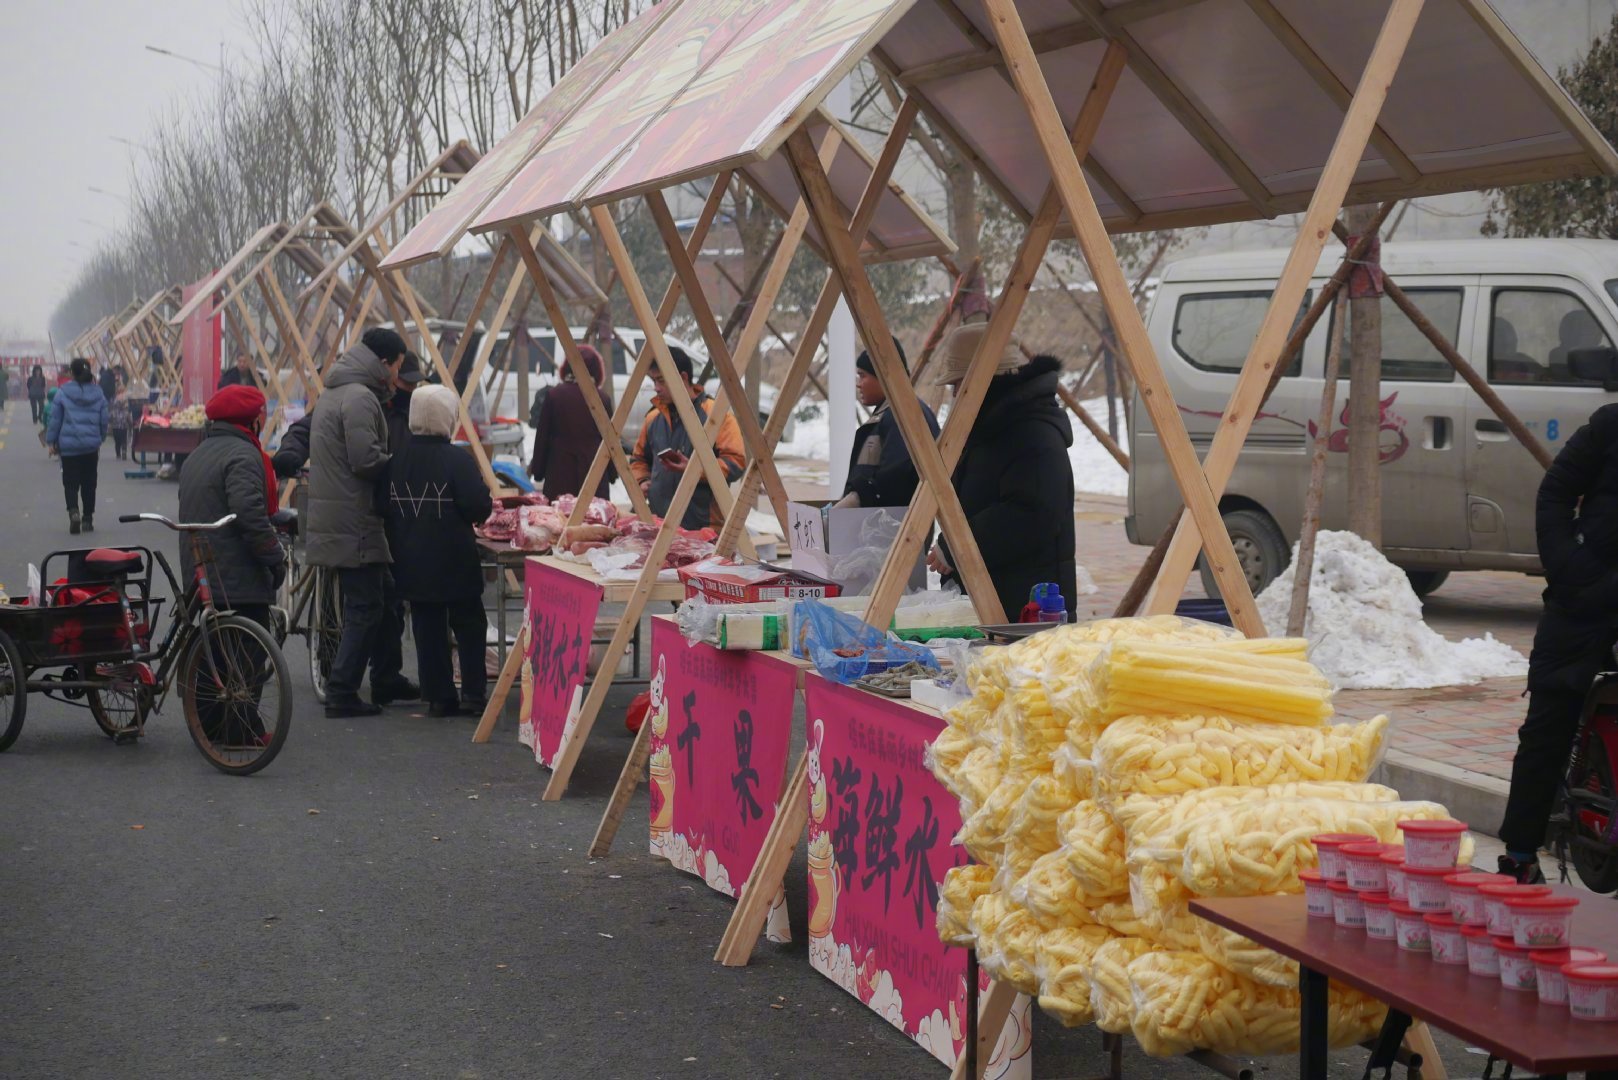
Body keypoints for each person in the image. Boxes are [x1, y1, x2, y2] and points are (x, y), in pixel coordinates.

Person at [1497, 402, 1618, 883]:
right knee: (1548, 723)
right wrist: (1571, 566)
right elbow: (1555, 495)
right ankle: (1520, 855)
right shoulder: (1610, 426)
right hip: (1585, 597)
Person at [925, 326, 1077, 620]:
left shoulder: (1033, 433)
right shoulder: (990, 428)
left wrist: (956, 545)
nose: (955, 395)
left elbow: (1031, 512)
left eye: (959, 385)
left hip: (1026, 611)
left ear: (983, 382)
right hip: (992, 599)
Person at [305, 327, 412, 718]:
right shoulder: (360, 397)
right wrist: (401, 465)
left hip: (342, 514)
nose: (398, 376)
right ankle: (342, 690)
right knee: (366, 605)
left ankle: (386, 677)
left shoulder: (338, 390)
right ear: (384, 363)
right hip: (354, 518)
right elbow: (365, 460)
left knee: (384, 596)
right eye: (398, 366)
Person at [386, 385, 494, 716]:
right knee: (469, 625)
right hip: (455, 558)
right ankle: (473, 695)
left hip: (410, 557)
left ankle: (438, 696)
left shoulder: (396, 459)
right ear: (448, 417)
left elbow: (381, 505)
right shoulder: (457, 459)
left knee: (426, 626)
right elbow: (477, 506)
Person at [177, 385, 286, 627]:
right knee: (246, 657)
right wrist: (274, 557)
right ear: (253, 421)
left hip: (202, 575)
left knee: (214, 656)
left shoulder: (197, 454)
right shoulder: (243, 455)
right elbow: (248, 513)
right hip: (236, 581)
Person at [629, 346, 744, 530]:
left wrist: (695, 470)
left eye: (661, 380)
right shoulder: (653, 418)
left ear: (683, 378)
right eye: (654, 381)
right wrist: (643, 481)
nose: (656, 388)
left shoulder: (716, 415)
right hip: (661, 524)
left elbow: (735, 464)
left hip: (704, 527)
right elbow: (638, 459)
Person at [836, 337, 939, 509]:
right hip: (881, 526)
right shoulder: (890, 413)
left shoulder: (902, 415)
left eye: (863, 376)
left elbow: (897, 479)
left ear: (883, 375)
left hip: (893, 528)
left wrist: (858, 498)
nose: (858, 384)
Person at [530, 344, 612, 501]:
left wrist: (538, 471)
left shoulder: (554, 396)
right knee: (594, 521)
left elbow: (542, 437)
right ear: (597, 370)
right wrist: (612, 473)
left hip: (559, 476)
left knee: (559, 522)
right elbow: (610, 441)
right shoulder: (603, 399)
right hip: (594, 477)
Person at [45, 358, 109, 534]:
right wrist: (100, 438)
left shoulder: (62, 393)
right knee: (89, 483)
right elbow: (104, 420)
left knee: (71, 483)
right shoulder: (99, 394)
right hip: (90, 448)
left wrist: (51, 442)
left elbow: (55, 420)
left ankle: (73, 511)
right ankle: (88, 519)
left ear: (71, 373)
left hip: (69, 448)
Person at [108, 386, 132, 460]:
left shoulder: (113, 401)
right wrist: (130, 424)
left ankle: (118, 453)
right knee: (123, 440)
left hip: (115, 425)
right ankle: (124, 451)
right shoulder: (125, 401)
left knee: (117, 441)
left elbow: (110, 413)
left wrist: (110, 422)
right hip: (123, 424)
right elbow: (128, 414)